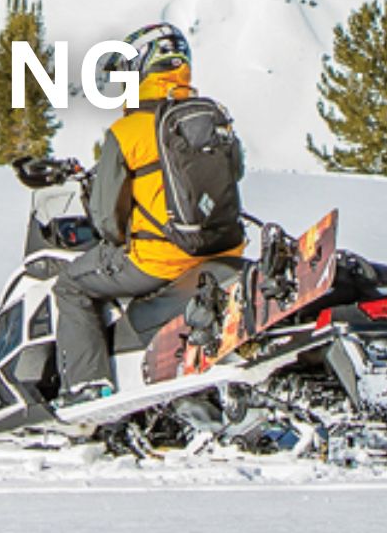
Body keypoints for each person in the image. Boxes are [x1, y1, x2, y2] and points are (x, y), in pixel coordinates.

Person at [52, 23, 245, 407]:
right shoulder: (212, 119)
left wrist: (120, 234)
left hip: (162, 260)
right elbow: (233, 174)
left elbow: (107, 218)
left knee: (71, 285)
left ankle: (86, 388)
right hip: (224, 251)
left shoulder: (129, 130)